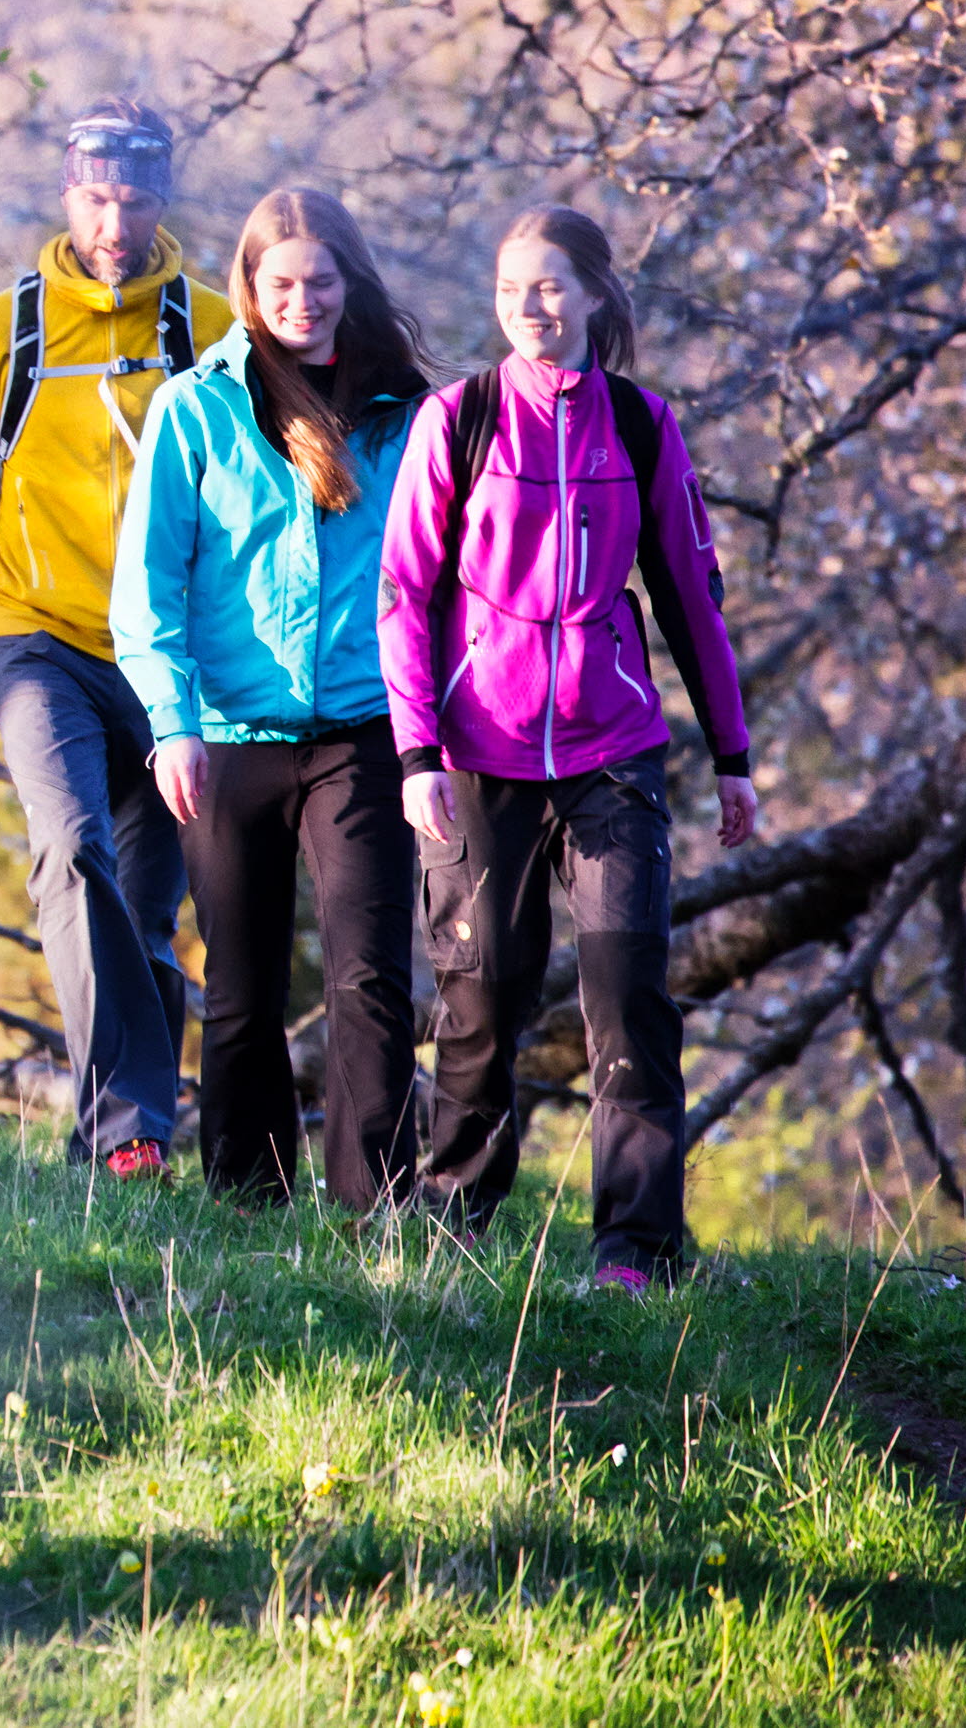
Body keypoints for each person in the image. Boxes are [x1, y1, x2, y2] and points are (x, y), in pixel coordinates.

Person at [377, 205, 758, 1292]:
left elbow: (689, 596)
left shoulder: (639, 425)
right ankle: (453, 1220)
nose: (527, 307)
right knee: (480, 994)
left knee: (627, 996)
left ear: (593, 292)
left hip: (612, 748)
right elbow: (403, 594)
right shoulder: (457, 417)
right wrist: (416, 754)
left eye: (547, 286)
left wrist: (729, 753)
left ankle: (634, 1251)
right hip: (476, 751)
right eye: (509, 289)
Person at [0, 98, 232, 1178]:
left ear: (162, 198)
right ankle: (129, 1129)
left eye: (134, 200)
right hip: (38, 644)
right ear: (65, 192)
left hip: (172, 657)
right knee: (70, 849)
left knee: (144, 909)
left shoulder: (213, 331)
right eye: (94, 198)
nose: (113, 223)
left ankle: (120, 1140)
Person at [111, 190, 434, 1207]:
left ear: (350, 282)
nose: (301, 299)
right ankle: (246, 1201)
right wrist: (171, 725)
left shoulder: (405, 412)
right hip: (225, 734)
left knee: (368, 977)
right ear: (248, 286)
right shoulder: (193, 408)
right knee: (240, 985)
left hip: (363, 731)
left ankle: (372, 1206)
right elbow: (147, 589)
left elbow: (437, 574)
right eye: (279, 281)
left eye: (320, 280)